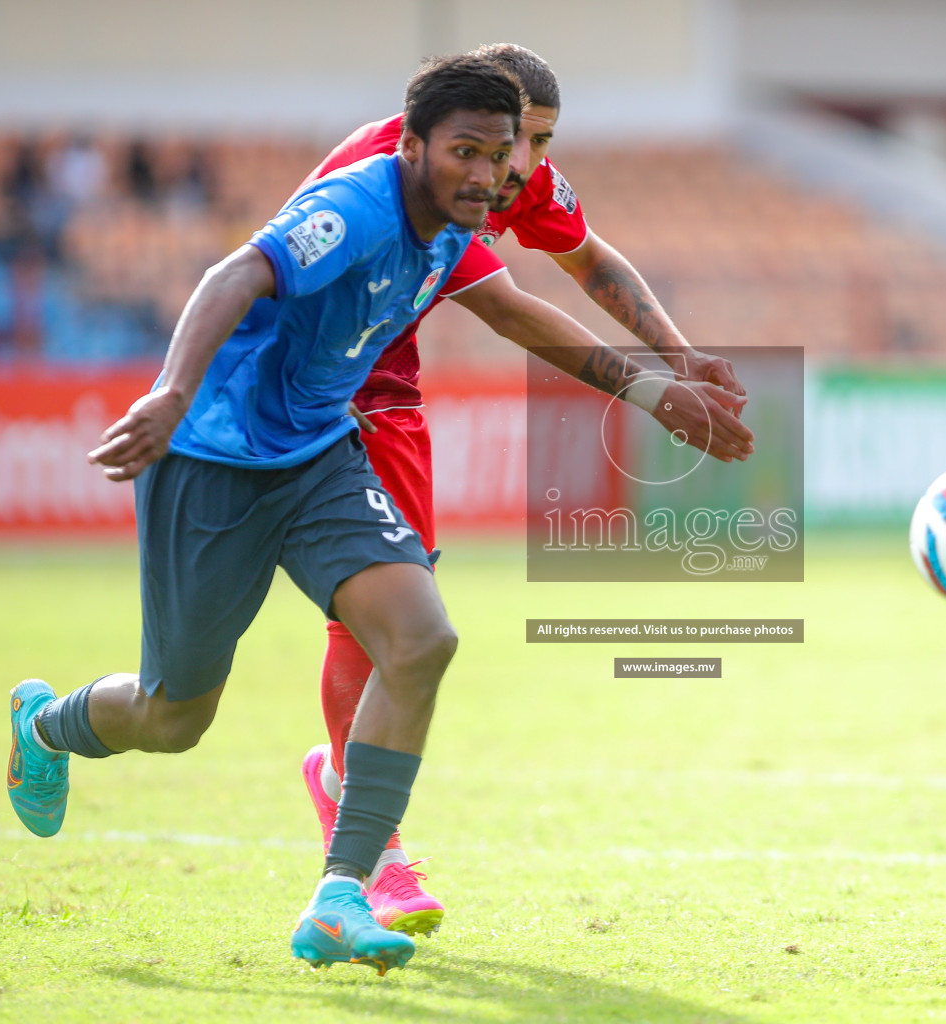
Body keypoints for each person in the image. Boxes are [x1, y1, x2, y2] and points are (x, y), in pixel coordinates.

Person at [4, 54, 528, 975]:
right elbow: (234, 273)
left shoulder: (455, 224)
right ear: (411, 148)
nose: (485, 173)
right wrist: (170, 395)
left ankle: (341, 893)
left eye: (498, 153)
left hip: (319, 456)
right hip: (211, 461)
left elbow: (521, 307)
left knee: (421, 639)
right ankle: (46, 726)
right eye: (464, 151)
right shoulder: (360, 205)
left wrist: (648, 384)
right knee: (174, 717)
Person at [291, 43, 753, 936]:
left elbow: (586, 257)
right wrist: (657, 395)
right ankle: (59, 725)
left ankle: (365, 849)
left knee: (386, 616)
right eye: (512, 145)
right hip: (287, 389)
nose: (524, 170)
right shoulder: (398, 174)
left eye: (539, 143)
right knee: (179, 696)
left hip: (381, 389)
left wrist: (680, 352)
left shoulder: (515, 171)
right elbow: (509, 308)